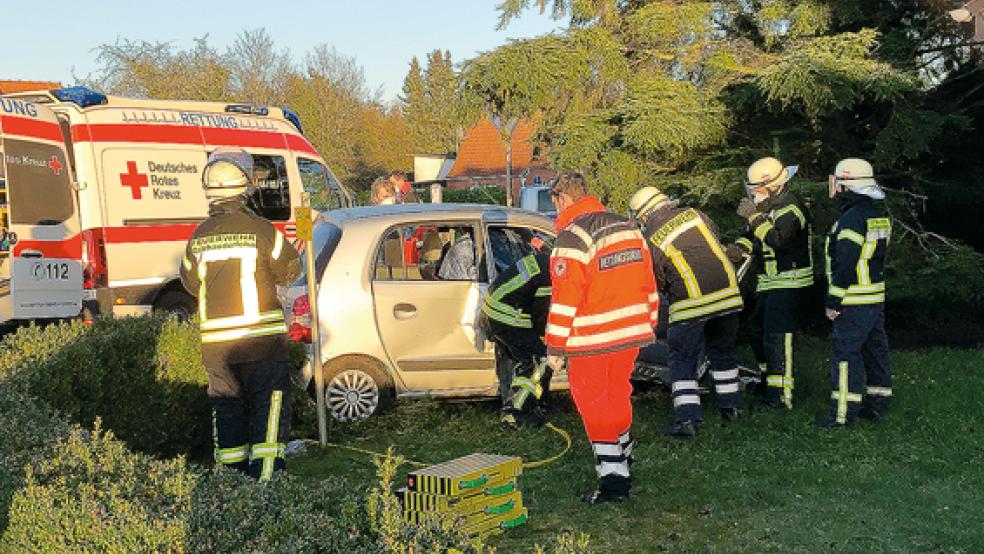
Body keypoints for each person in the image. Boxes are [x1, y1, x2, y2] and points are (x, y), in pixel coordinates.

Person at [180, 148, 302, 481]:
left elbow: (189, 282)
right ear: (245, 186)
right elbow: (291, 269)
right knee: (268, 405)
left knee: (227, 408)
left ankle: (231, 484)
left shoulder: (198, 237)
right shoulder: (261, 230)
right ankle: (265, 481)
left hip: (217, 347)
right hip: (260, 342)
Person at [545, 172, 659, 505]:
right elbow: (648, 280)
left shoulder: (572, 236)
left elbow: (565, 298)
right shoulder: (628, 227)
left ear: (563, 198)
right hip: (632, 332)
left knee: (593, 404)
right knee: (618, 394)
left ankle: (613, 482)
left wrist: (555, 346)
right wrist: (648, 320)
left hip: (592, 337)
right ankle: (624, 457)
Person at [629, 187, 744, 438]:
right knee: (723, 352)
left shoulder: (650, 236)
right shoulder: (695, 214)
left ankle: (687, 420)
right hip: (728, 293)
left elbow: (656, 277)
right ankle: (731, 408)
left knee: (682, 359)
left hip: (690, 302)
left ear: (644, 215)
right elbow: (713, 240)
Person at [728, 157, 813, 410]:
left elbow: (778, 240)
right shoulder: (765, 210)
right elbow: (749, 238)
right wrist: (735, 249)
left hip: (791, 282)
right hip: (769, 283)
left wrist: (754, 217)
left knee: (778, 337)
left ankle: (781, 396)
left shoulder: (791, 209)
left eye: (758, 189)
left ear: (775, 186)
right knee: (757, 331)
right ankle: (767, 382)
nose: (753, 194)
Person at [816, 158, 892, 428]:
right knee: (875, 351)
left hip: (853, 299)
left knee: (846, 354)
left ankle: (843, 414)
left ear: (846, 185)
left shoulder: (851, 219)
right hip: (874, 297)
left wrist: (834, 299)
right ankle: (878, 404)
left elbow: (846, 262)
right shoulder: (876, 214)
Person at [481, 236, 553, 429]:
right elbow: (540, 315)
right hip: (507, 317)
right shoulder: (551, 275)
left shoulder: (541, 261)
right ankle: (517, 412)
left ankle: (529, 404)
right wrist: (543, 337)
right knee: (540, 358)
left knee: (516, 358)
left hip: (494, 310)